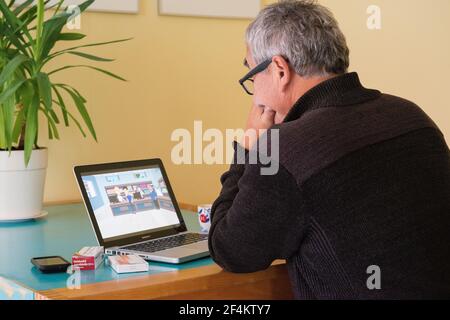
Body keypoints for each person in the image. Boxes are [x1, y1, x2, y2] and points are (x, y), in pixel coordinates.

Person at [208, 0, 450, 299]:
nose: (254, 90)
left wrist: (247, 149)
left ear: (280, 70)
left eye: (253, 76)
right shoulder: (412, 116)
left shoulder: (282, 148)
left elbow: (231, 250)